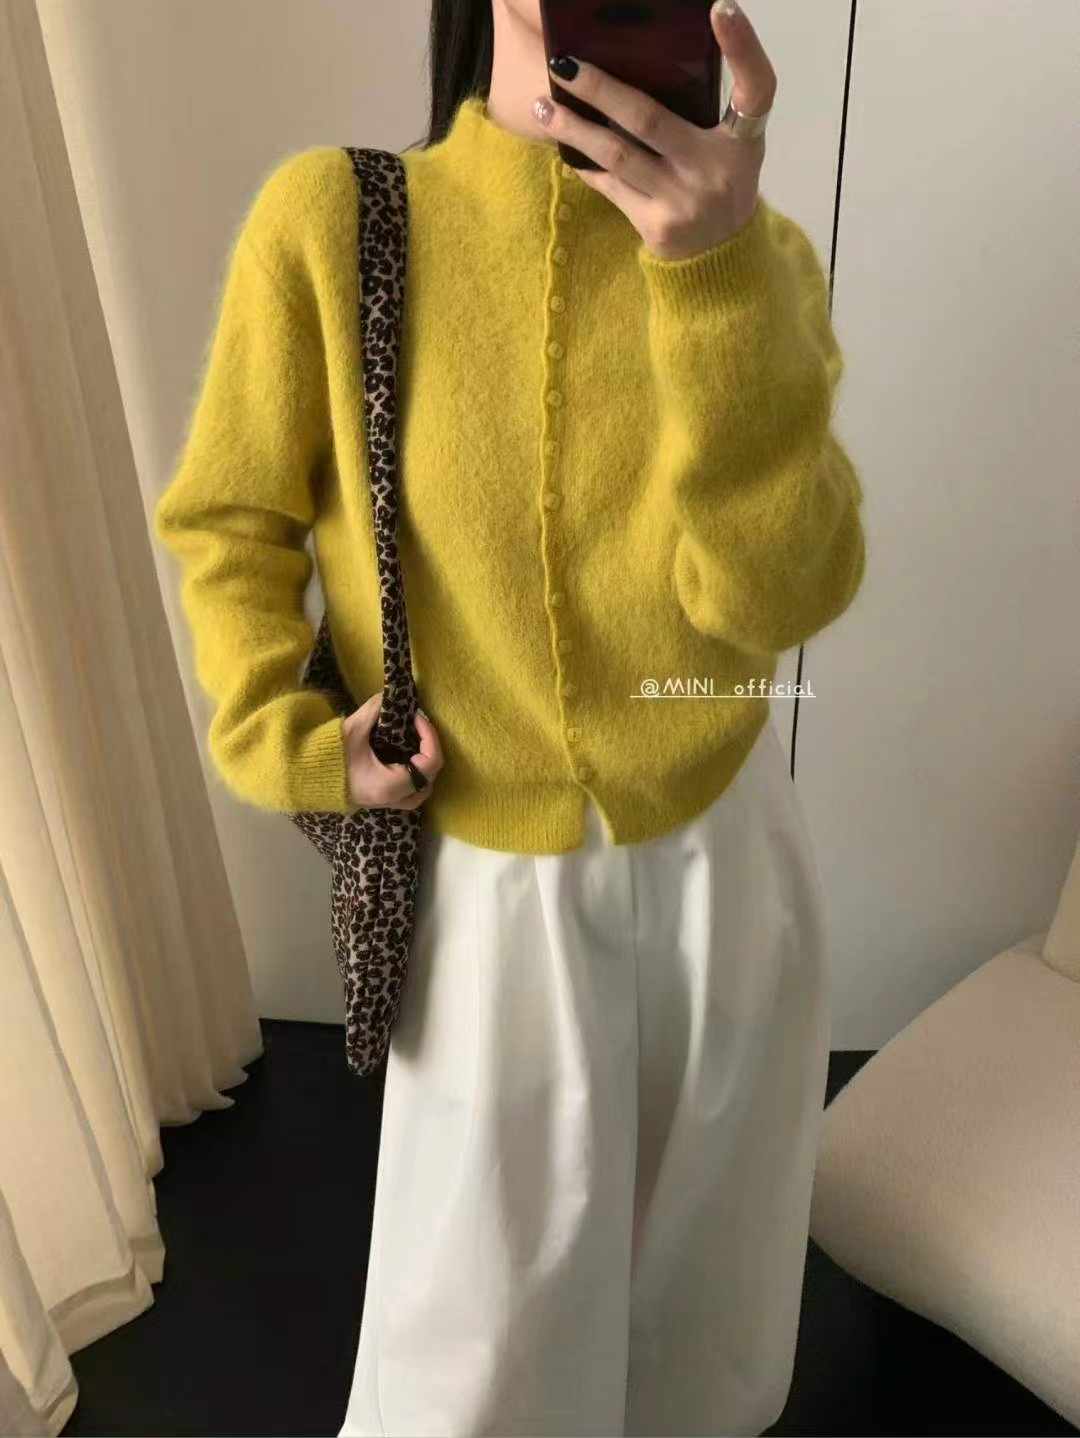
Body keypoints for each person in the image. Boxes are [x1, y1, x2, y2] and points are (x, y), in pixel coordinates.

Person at [153, 0, 867, 1432]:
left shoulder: (762, 258)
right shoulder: (337, 223)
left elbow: (782, 595)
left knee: (703, 1329)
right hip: (491, 894)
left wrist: (716, 281)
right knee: (476, 1367)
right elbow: (229, 522)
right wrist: (295, 741)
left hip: (730, 863)